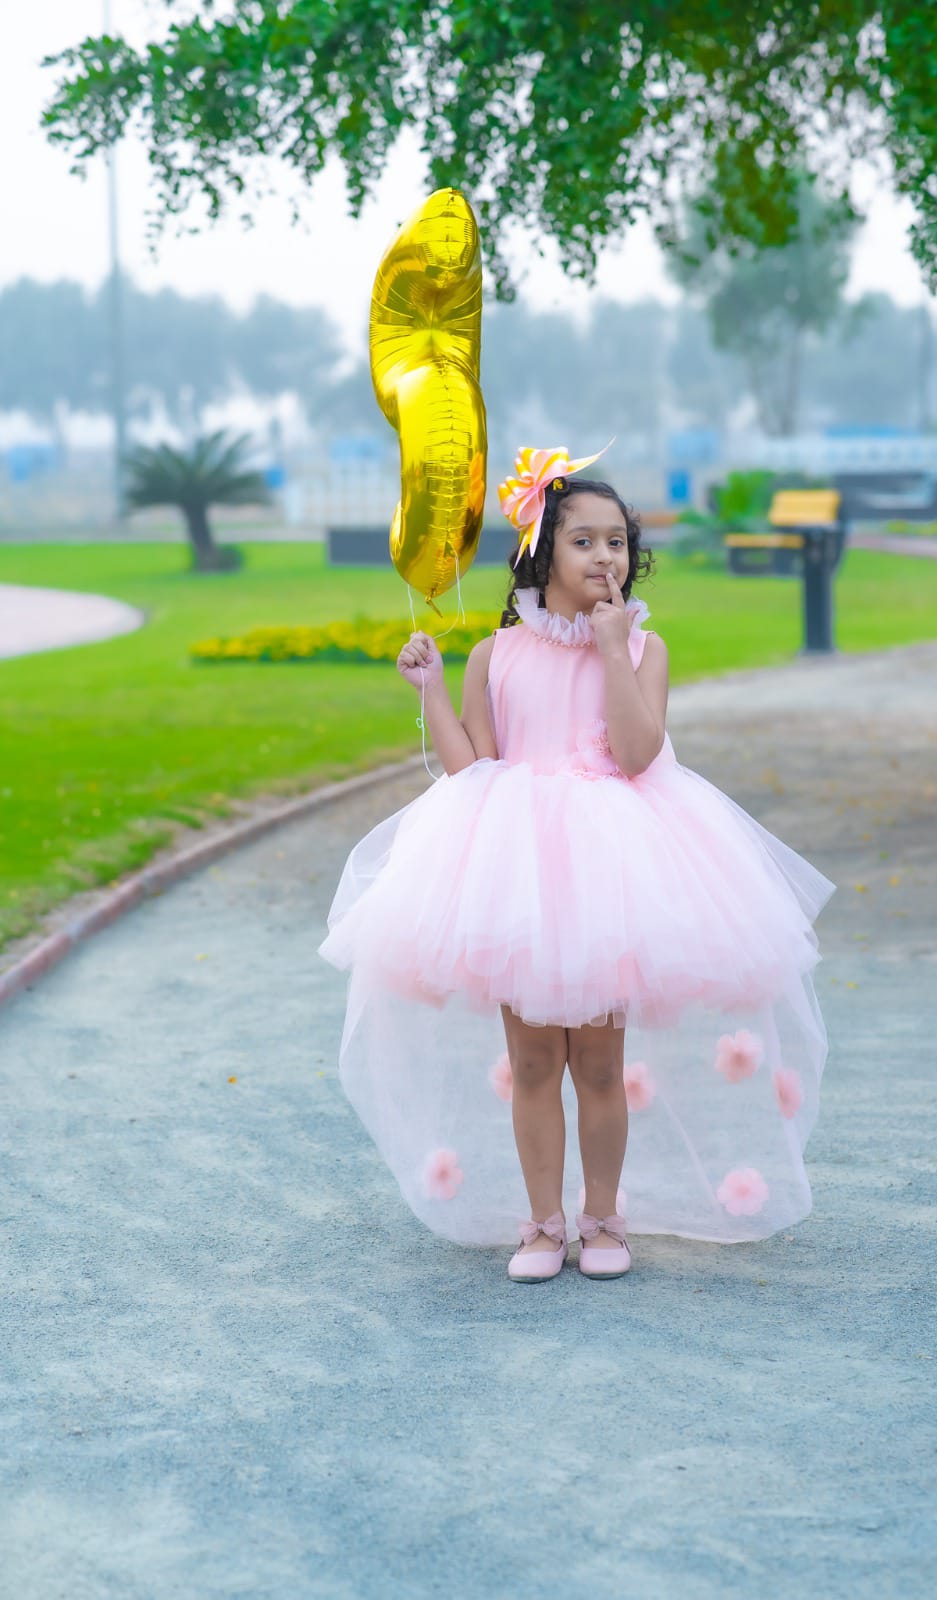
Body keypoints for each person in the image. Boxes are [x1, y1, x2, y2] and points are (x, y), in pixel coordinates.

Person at [318, 443, 836, 1283]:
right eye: (583, 542)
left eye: (617, 542)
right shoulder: (499, 653)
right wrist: (432, 689)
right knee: (532, 1062)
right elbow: (472, 769)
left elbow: (637, 755)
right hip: (516, 870)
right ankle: (541, 1224)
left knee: (597, 1061)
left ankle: (602, 1219)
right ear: (541, 553)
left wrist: (608, 647)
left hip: (610, 868)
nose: (605, 558)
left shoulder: (642, 649)